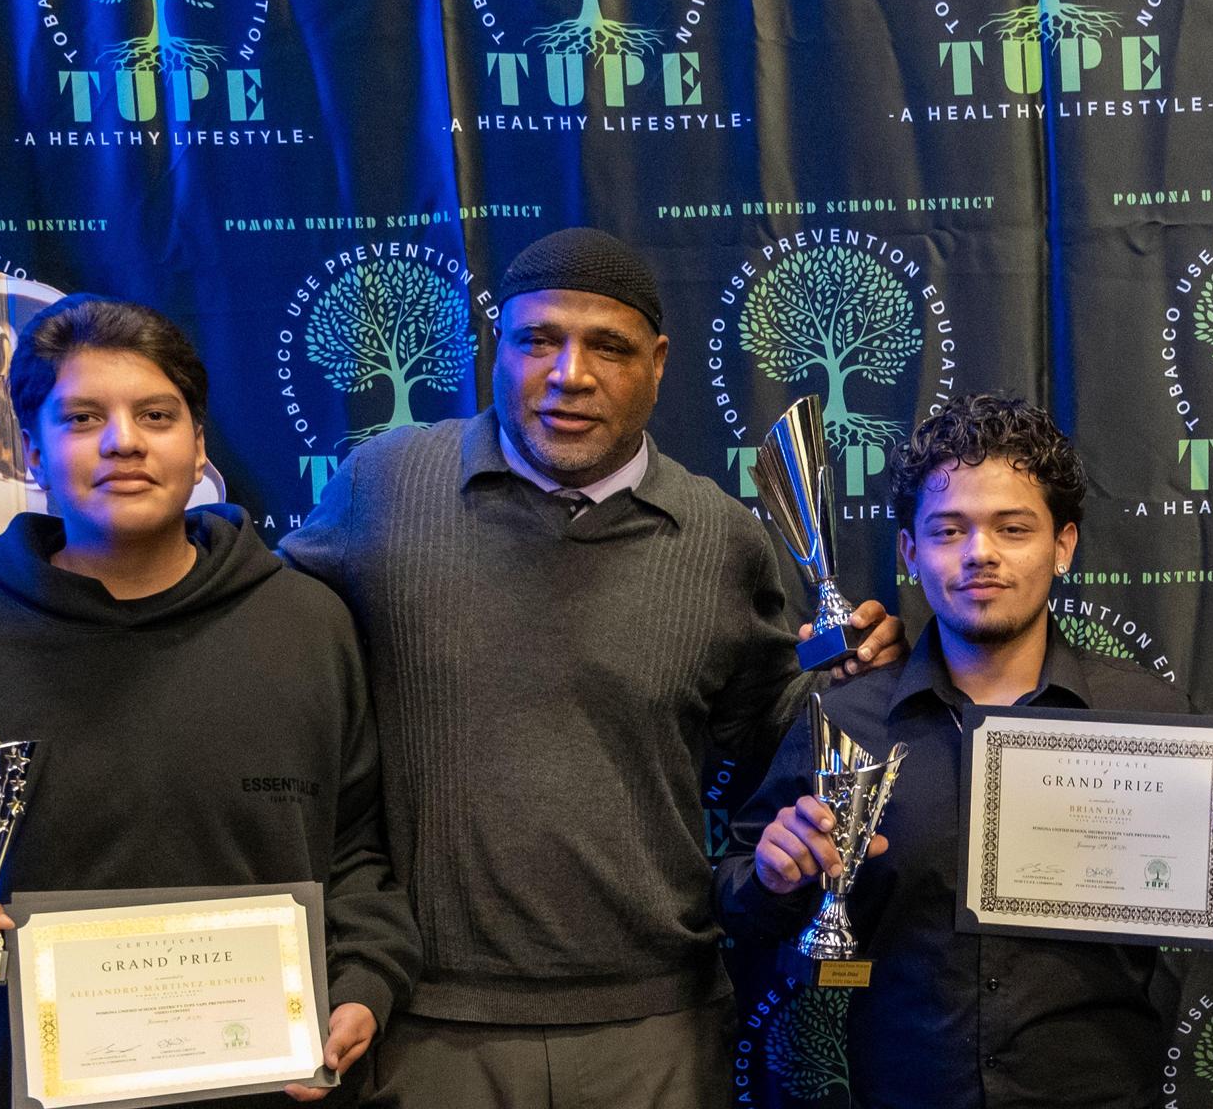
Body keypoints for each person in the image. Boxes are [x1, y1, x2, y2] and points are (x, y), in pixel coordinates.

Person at [271, 227, 904, 1108]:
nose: (569, 375)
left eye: (607, 346)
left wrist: (858, 679)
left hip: (655, 1030)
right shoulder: (386, 484)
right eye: (539, 340)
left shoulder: (720, 536)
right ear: (500, 348)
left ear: (658, 361)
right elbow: (266, 640)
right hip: (425, 1026)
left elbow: (773, 739)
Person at [714, 393, 1213, 1109]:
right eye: (949, 531)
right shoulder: (844, 720)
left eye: (1013, 528)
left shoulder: (1150, 718)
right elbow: (737, 899)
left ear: (1062, 546)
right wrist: (772, 876)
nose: (981, 553)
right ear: (910, 552)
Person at [0, 295, 420, 1109]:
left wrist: (365, 983)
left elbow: (357, 852)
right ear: (33, 454)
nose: (124, 441)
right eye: (81, 418)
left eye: (156, 413)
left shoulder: (309, 626)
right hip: (25, 1086)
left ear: (198, 444)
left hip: (271, 1085)